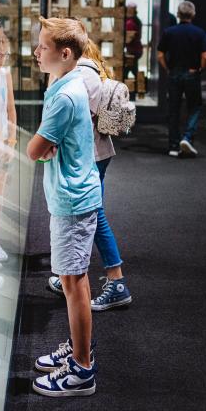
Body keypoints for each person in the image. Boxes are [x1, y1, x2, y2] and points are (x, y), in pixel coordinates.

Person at [28, 17, 102, 397]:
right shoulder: (66, 83)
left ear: (65, 53)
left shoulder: (64, 95)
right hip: (73, 196)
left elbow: (34, 149)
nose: (37, 52)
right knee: (76, 281)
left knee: (74, 283)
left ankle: (82, 369)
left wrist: (41, 151)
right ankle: (79, 351)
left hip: (72, 200)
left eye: (43, 46)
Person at [48, 40, 134, 311]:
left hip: (91, 156)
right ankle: (71, 277)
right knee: (92, 216)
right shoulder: (92, 70)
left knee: (93, 215)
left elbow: (68, 115)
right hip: (96, 154)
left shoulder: (83, 75)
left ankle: (116, 281)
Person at [157, 1, 206, 157]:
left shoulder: (169, 32)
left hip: (175, 73)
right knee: (195, 107)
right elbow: (205, 56)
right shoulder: (199, 33)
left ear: (178, 14)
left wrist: (168, 69)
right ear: (193, 14)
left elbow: (160, 54)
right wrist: (200, 68)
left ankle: (173, 146)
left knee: (174, 109)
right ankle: (187, 137)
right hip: (192, 73)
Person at [0, 19, 18, 268]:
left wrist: (11, 141)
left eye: (1, 42)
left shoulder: (5, 74)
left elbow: (11, 109)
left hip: (1, 146)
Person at [124, 2, 143, 81]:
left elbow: (128, 39)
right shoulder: (136, 20)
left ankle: (137, 87)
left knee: (126, 71)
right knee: (131, 69)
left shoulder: (130, 23)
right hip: (136, 49)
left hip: (133, 50)